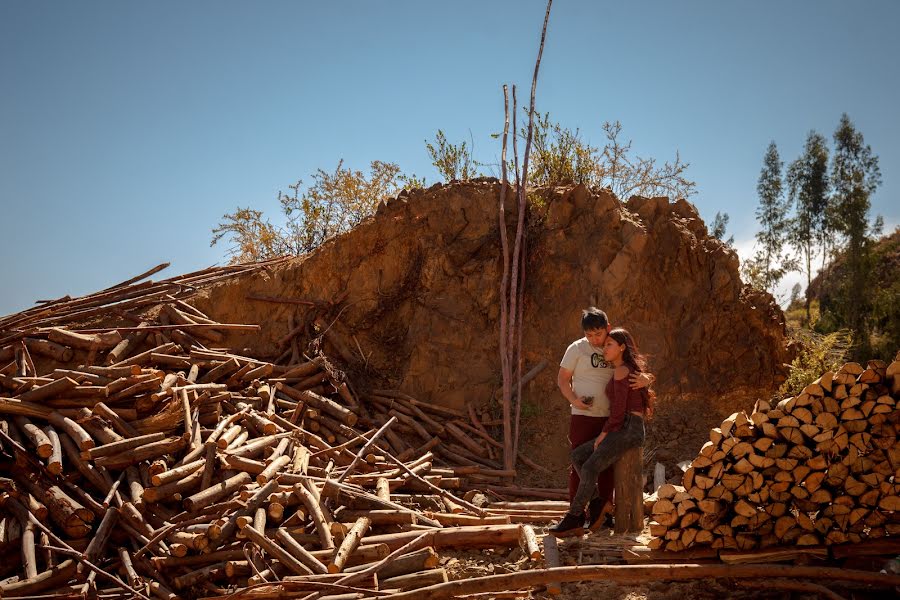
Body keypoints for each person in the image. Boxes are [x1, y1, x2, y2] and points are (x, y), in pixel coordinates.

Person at [550, 327, 654, 537]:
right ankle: (599, 502)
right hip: (622, 426)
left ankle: (574, 516)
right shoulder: (621, 368)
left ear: (622, 347)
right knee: (577, 455)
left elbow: (617, 412)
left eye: (609, 344)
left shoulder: (621, 370)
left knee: (588, 467)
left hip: (628, 428)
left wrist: (604, 434)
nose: (604, 348)